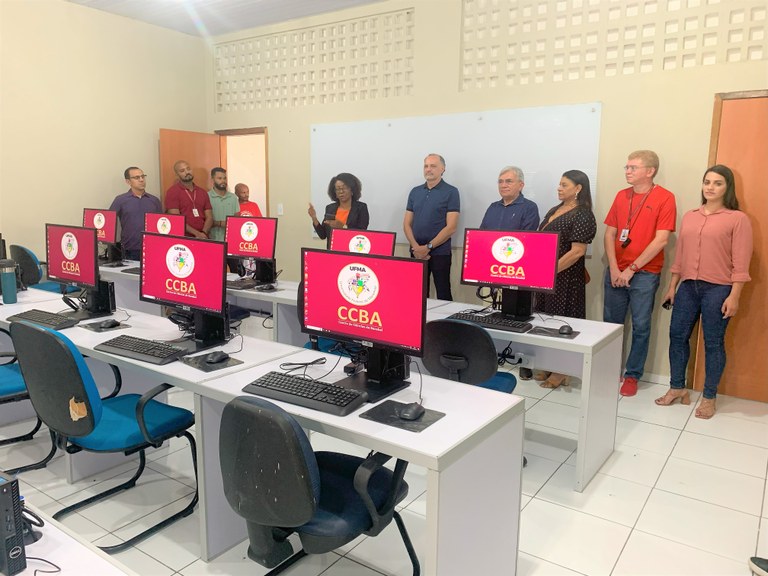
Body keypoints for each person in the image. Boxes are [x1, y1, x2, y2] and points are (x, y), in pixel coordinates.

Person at [656, 165, 753, 419]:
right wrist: (672, 286)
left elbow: (742, 263)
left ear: (727, 187)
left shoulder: (737, 219)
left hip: (719, 289)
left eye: (717, 183)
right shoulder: (690, 216)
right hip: (688, 286)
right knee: (677, 337)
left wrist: (735, 295)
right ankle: (677, 388)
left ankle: (709, 397)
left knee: (713, 343)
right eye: (706, 182)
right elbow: (681, 256)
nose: (710, 187)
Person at [604, 150, 677, 397]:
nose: (627, 171)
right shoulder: (621, 196)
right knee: (611, 325)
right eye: (626, 167)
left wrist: (631, 269)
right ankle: (609, 369)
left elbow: (661, 240)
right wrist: (615, 268)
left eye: (633, 167)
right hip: (615, 271)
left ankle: (632, 374)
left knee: (641, 325)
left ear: (650, 171)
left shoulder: (665, 198)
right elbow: (610, 234)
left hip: (644, 274)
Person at [529, 170, 596, 388]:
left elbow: (577, 251)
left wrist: (550, 270)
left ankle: (562, 370)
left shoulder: (583, 214)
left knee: (563, 323)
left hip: (566, 278)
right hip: (545, 277)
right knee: (544, 321)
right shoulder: (554, 209)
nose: (559, 188)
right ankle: (549, 364)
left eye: (564, 185)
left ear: (578, 189)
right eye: (559, 184)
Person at [403, 154, 460, 301]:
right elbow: (407, 224)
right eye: (426, 166)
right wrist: (416, 248)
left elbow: (451, 227)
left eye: (433, 166)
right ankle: (421, 325)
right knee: (418, 295)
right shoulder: (415, 192)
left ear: (443, 169)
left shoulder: (451, 192)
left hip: (440, 252)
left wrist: (427, 247)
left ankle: (445, 325)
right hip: (416, 252)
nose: (429, 169)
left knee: (443, 294)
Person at [109, 167, 161, 260]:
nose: (141, 180)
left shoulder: (154, 200)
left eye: (143, 177)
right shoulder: (120, 200)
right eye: (137, 178)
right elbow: (108, 221)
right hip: (130, 249)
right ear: (128, 182)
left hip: (153, 248)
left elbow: (162, 224)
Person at [307, 173, 369, 245]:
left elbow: (361, 234)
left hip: (352, 250)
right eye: (338, 189)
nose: (341, 192)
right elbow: (323, 235)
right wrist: (314, 218)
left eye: (344, 188)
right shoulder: (330, 208)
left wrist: (343, 227)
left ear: (352, 190)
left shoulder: (361, 208)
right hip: (333, 251)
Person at [480, 166, 540, 231]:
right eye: (500, 182)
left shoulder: (529, 208)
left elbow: (526, 237)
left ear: (521, 185)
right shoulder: (493, 207)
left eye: (509, 181)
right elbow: (481, 233)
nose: (503, 186)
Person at [165, 160, 213, 239]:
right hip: (184, 237)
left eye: (188, 169)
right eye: (182, 171)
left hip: (204, 236)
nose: (187, 172)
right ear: (177, 175)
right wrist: (197, 234)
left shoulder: (203, 192)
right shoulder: (172, 192)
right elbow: (176, 219)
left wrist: (203, 233)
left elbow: (209, 217)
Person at [207, 167, 240, 241]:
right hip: (211, 240)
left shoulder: (233, 197)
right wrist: (220, 223)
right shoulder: (206, 197)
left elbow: (237, 220)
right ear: (212, 180)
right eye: (219, 178)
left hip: (230, 240)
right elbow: (203, 221)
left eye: (225, 178)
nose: (223, 181)